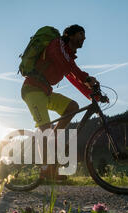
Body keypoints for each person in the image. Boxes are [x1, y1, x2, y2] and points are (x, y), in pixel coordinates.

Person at [21, 24, 105, 180]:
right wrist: (86, 78)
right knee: (45, 130)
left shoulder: (68, 56)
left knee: (72, 107)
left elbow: (74, 77)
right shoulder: (57, 45)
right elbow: (70, 68)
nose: (84, 38)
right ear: (70, 35)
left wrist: (96, 96)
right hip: (32, 89)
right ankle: (46, 169)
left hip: (45, 91)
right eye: (81, 34)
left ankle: (51, 141)